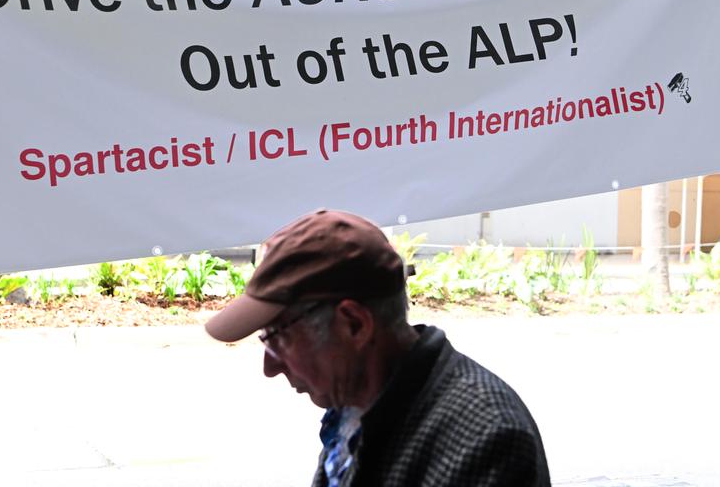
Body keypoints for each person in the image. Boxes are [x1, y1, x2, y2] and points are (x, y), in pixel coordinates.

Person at [206, 209, 550, 487]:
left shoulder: (486, 438)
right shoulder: (356, 401)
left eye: (278, 337)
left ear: (354, 325)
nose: (271, 367)